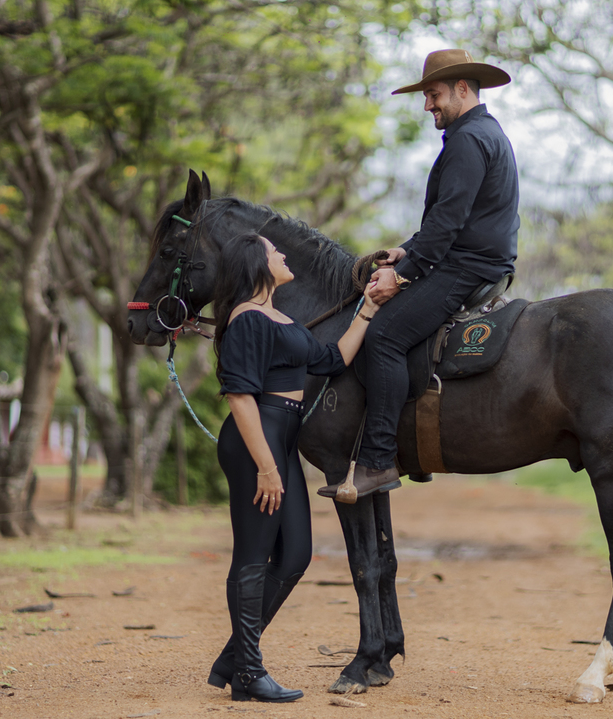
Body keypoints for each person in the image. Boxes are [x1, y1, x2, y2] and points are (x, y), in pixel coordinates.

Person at [319, 48, 520, 500]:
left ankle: (378, 461)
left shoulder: (469, 139)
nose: (428, 105)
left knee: (383, 336)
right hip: (472, 260)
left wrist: (402, 274)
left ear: (463, 90)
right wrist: (403, 250)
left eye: (434, 95)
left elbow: (448, 225)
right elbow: (446, 223)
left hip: (466, 267)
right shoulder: (483, 132)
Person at [208, 232, 380, 702]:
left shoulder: (280, 317)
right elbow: (240, 396)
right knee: (253, 553)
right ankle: (248, 672)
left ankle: (234, 658)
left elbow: (333, 359)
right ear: (256, 265)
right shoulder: (246, 319)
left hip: (283, 437)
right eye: (273, 251)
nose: (282, 255)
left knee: (296, 554)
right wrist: (266, 466)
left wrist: (368, 307)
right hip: (255, 442)